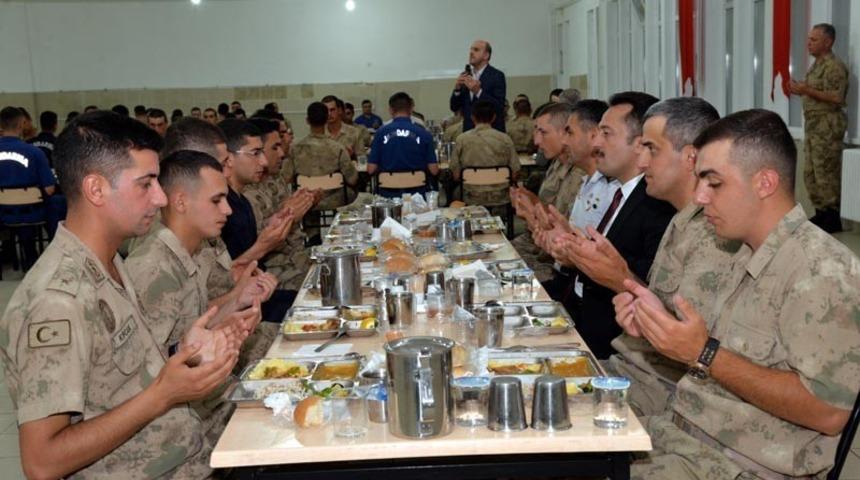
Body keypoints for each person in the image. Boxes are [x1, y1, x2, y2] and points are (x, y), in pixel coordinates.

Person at [0, 110, 241, 479]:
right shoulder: (58, 301)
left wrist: (184, 353)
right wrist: (162, 395)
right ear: (96, 189)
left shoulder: (108, 264)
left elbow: (115, 382)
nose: (161, 198)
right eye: (146, 184)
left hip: (187, 459)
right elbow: (42, 461)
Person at [621, 109, 860, 480]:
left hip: (736, 465)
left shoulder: (821, 271)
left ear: (764, 182)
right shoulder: (740, 251)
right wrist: (659, 325)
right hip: (680, 436)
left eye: (713, 183)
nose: (699, 197)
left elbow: (828, 411)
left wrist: (704, 354)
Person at [587, 97, 735, 417]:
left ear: (690, 157)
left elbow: (692, 351)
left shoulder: (713, 233)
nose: (641, 163)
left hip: (661, 391)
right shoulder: (680, 220)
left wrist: (620, 279)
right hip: (632, 369)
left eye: (651, 149)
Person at [126, 150, 265, 443]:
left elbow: (187, 333)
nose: (227, 210)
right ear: (180, 201)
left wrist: (233, 309)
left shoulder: (189, 252)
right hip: (181, 417)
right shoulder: (154, 270)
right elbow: (148, 374)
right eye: (216, 200)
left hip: (202, 395)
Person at [535, 92, 675, 359]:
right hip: (588, 322)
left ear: (639, 144)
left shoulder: (656, 204)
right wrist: (575, 247)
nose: (596, 143)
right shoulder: (625, 194)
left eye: (606, 134)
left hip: (614, 345)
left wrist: (587, 260)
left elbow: (650, 286)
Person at [218, 119, 302, 317]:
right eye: (255, 153)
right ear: (229, 158)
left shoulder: (242, 201)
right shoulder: (224, 207)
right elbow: (224, 280)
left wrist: (273, 228)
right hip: (239, 306)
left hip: (260, 293)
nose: (263, 162)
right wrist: (264, 245)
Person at [509, 102, 587, 283]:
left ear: (564, 133)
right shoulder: (558, 163)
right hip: (541, 246)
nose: (536, 140)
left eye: (543, 132)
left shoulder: (580, 174)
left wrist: (533, 212)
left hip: (555, 261)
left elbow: (561, 235)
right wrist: (530, 206)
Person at [789, 23, 849, 233]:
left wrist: (808, 90)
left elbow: (837, 97)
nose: (809, 44)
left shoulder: (834, 66)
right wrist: (801, 90)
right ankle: (821, 213)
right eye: (809, 39)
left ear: (828, 42)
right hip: (814, 126)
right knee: (811, 172)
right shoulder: (816, 65)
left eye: (814, 40)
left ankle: (832, 217)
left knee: (826, 172)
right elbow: (815, 91)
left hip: (827, 126)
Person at [244, 117, 315, 292]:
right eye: (274, 147)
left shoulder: (271, 179)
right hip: (276, 272)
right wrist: (288, 214)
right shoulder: (246, 194)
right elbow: (262, 243)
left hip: (293, 259)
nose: (282, 152)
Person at [0, 107, 65, 260]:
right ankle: (57, 253)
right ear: (22, 124)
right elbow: (49, 189)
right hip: (33, 213)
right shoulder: (34, 153)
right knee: (58, 202)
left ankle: (12, 252)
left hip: (2, 214)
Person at [285, 102, 358, 211]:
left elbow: (286, 177)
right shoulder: (338, 148)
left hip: (307, 201)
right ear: (326, 119)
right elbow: (352, 179)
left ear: (307, 121)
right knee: (352, 193)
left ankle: (310, 228)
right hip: (335, 199)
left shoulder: (296, 149)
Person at [367, 92, 439, 198]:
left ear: (391, 110)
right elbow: (434, 170)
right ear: (411, 109)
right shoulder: (424, 134)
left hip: (388, 196)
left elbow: (370, 169)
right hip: (417, 195)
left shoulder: (380, 133)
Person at [450, 99, 520, 206]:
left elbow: (456, 175)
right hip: (500, 195)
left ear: (472, 117)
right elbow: (514, 174)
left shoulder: (462, 139)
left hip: (471, 195)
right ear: (493, 118)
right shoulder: (505, 139)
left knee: (453, 192)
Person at [450, 39, 507, 133]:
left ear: (486, 55)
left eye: (476, 50)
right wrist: (457, 90)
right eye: (471, 49)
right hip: (469, 134)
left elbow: (499, 107)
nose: (471, 53)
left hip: (491, 134)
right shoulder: (465, 75)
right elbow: (454, 107)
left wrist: (478, 92)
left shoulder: (497, 75)